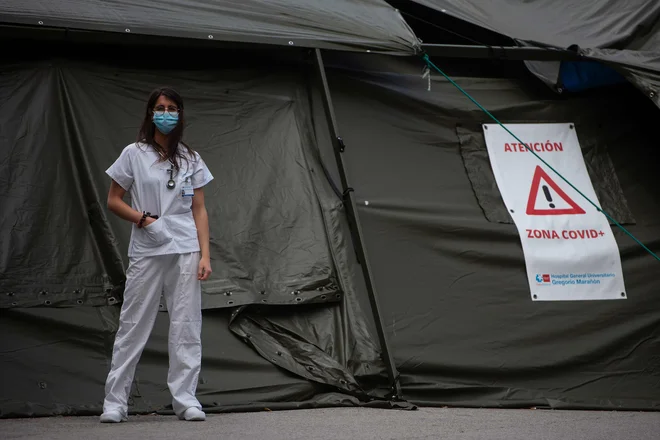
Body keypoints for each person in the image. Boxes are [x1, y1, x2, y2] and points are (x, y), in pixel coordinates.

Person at [100, 87, 214, 423]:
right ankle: (115, 402)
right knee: (133, 324)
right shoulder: (134, 153)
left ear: (180, 114)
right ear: (150, 113)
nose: (166, 113)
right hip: (149, 246)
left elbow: (200, 209)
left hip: (186, 248)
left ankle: (186, 399)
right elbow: (114, 200)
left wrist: (205, 254)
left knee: (186, 324)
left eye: (173, 108)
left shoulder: (191, 158)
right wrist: (144, 220)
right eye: (160, 108)